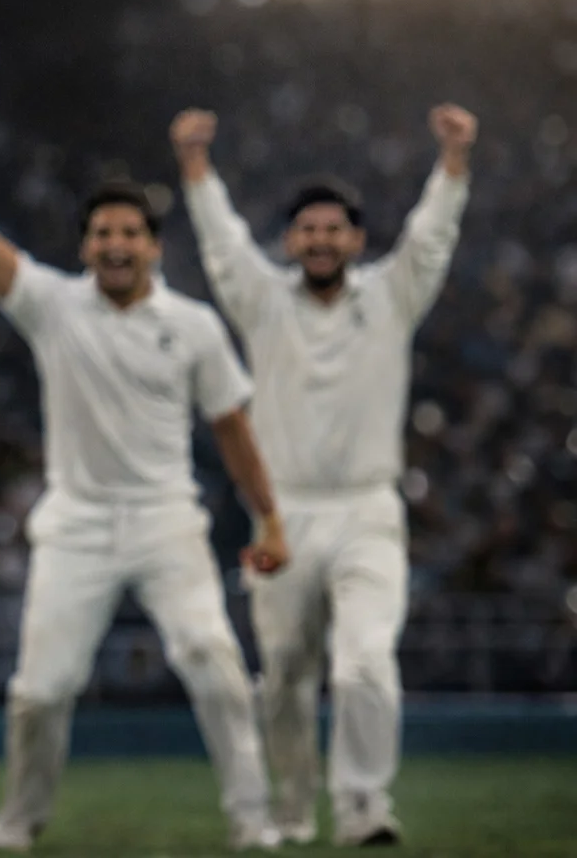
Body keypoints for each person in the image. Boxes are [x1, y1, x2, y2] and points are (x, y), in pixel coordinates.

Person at [0, 135, 291, 853]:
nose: (116, 244)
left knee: (215, 664)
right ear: (87, 247)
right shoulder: (53, 306)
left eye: (130, 232)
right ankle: (19, 821)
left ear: (154, 247)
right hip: (76, 524)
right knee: (40, 691)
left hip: (166, 522)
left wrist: (270, 520)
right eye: (103, 233)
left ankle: (253, 819)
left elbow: (234, 430)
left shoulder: (194, 327)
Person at [172, 103, 477, 847]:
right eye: (307, 229)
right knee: (281, 677)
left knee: (365, 661)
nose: (320, 239)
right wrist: (196, 169)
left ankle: (365, 805)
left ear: (357, 240)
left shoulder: (392, 295)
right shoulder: (263, 302)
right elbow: (222, 247)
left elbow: (431, 239)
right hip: (282, 514)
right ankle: (295, 805)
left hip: (369, 509)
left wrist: (455, 164)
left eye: (334, 228)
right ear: (290, 241)